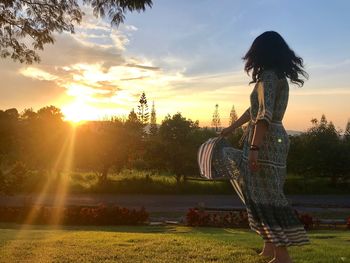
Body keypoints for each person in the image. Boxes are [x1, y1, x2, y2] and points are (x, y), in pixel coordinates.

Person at [220, 31, 310, 263]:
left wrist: (254, 149)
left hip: (266, 141)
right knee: (263, 193)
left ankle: (282, 256)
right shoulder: (275, 77)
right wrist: (230, 129)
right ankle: (269, 247)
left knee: (267, 196)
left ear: (261, 52)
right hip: (273, 140)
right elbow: (253, 111)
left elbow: (263, 116)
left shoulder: (269, 77)